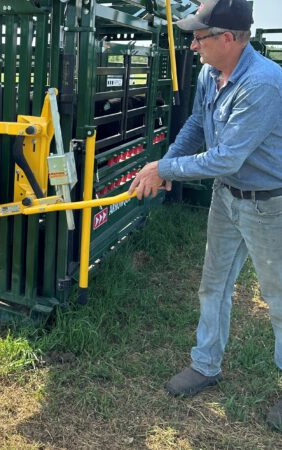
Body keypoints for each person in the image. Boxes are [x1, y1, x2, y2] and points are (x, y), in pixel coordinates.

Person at [128, 0, 282, 430]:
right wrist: (168, 166)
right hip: (226, 198)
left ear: (229, 39)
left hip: (269, 204)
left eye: (200, 36)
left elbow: (227, 157)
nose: (193, 45)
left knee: (279, 300)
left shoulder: (265, 84)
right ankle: (205, 365)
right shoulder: (209, 73)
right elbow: (196, 123)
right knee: (213, 285)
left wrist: (163, 169)